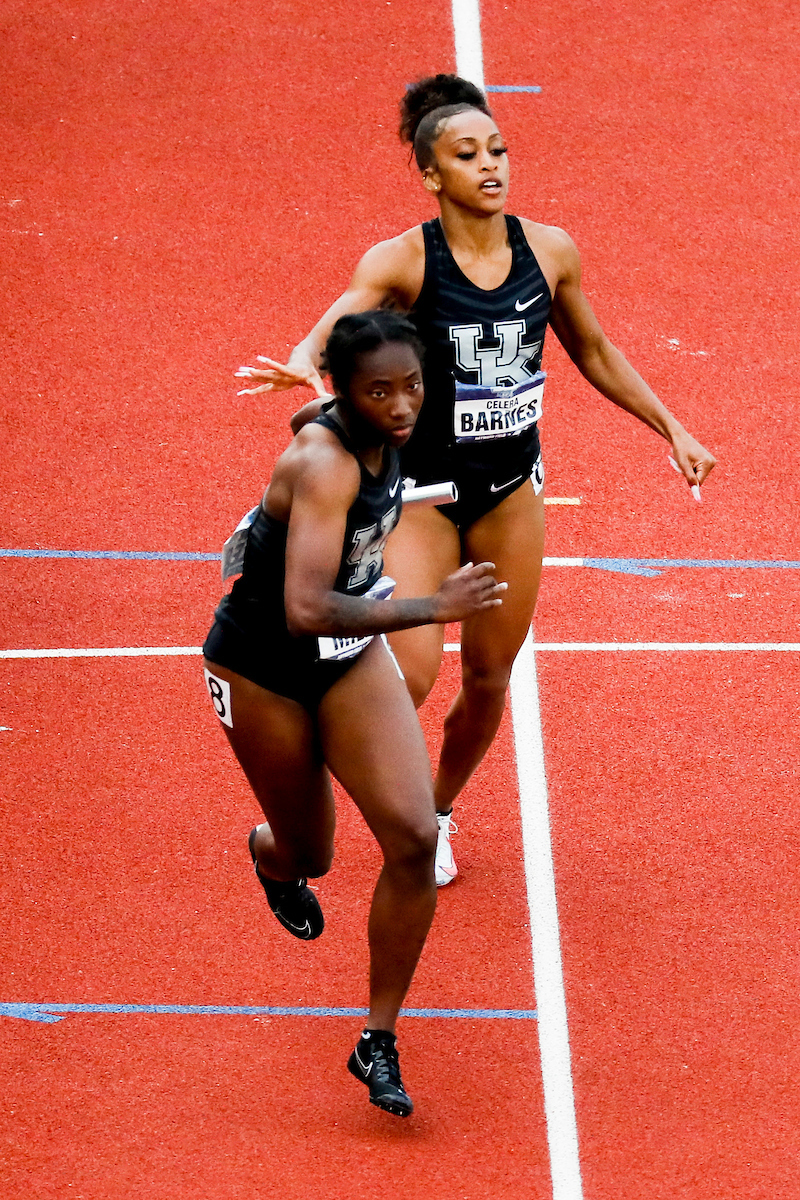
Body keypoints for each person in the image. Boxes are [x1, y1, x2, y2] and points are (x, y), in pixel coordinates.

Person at [236, 74, 716, 888]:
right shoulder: (404, 259)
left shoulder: (550, 250)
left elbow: (593, 351)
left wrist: (672, 425)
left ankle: (438, 812)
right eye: (467, 155)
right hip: (423, 497)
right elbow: (343, 314)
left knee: (489, 678)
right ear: (431, 175)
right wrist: (302, 353)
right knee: (413, 672)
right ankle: (322, 792)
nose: (491, 165)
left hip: (508, 493)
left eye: (497, 150)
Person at [204, 310, 505, 1117]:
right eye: (383, 392)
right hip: (263, 667)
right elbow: (303, 608)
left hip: (346, 658)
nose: (405, 406)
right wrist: (432, 606)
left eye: (413, 386)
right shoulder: (323, 466)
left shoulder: (381, 419)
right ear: (349, 393)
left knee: (412, 837)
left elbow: (316, 411)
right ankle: (272, 855)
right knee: (315, 850)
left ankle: (377, 1036)